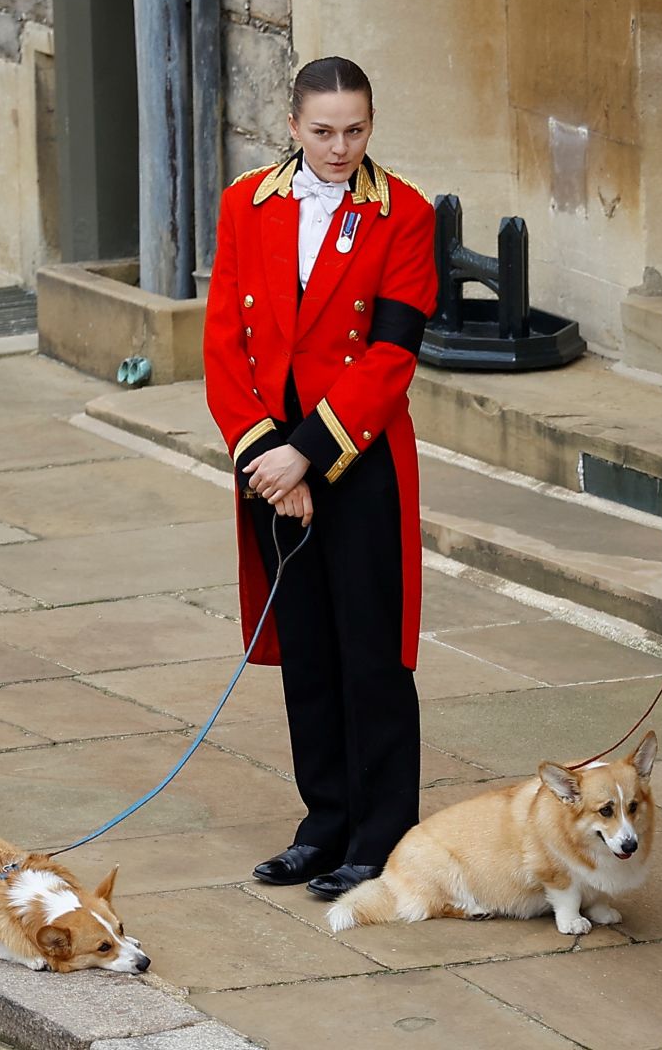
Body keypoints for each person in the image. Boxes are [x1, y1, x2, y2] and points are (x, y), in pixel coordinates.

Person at [203, 57, 437, 900]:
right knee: (305, 647)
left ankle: (384, 834)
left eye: (357, 129)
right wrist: (269, 460)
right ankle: (325, 820)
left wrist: (310, 452)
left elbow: (393, 353)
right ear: (292, 126)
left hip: (359, 459)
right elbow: (225, 343)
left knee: (371, 653)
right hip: (270, 463)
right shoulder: (244, 204)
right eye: (325, 131)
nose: (342, 148)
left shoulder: (404, 214)